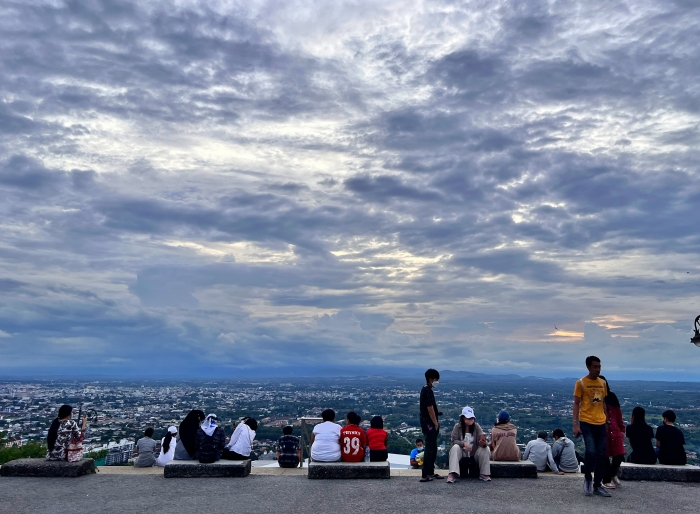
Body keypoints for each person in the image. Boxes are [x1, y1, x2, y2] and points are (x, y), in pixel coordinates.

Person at [573, 355, 611, 497]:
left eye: (599, 366)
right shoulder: (581, 383)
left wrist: (607, 420)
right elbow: (576, 403)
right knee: (591, 451)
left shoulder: (602, 383)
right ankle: (588, 478)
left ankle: (598, 484)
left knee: (602, 454)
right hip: (586, 421)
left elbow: (603, 403)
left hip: (600, 422)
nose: (598, 369)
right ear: (588, 367)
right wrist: (575, 424)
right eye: (595, 366)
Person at [446, 406, 491, 483]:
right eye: (468, 418)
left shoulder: (476, 427)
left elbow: (481, 438)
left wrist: (483, 443)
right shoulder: (457, 427)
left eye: (472, 418)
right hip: (462, 452)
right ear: (463, 418)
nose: (471, 420)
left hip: (474, 452)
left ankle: (484, 473)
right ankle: (452, 473)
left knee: (486, 449)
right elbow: (454, 440)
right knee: (455, 448)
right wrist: (463, 443)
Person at [601, 378, 625, 488]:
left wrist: (622, 430)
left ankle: (612, 474)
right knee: (605, 457)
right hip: (603, 431)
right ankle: (606, 479)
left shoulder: (612, 397)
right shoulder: (596, 398)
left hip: (615, 431)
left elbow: (618, 415)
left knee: (619, 455)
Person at [419, 368, 442, 482]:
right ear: (430, 379)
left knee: (433, 447)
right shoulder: (427, 391)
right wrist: (435, 423)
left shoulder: (427, 390)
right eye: (436, 380)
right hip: (429, 423)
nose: (437, 382)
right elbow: (430, 409)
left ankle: (430, 472)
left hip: (429, 422)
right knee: (429, 448)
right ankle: (425, 474)